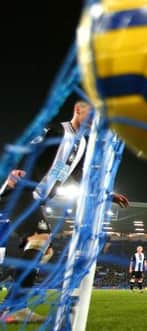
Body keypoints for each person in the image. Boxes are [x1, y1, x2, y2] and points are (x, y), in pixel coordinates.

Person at [0, 101, 129, 323]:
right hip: (17, 192)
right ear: (77, 110)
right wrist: (15, 170)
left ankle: (13, 304)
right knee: (41, 240)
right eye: (92, 112)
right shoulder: (57, 131)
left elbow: (78, 178)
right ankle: (13, 306)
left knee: (44, 250)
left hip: (32, 201)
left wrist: (108, 194)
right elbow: (30, 148)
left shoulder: (82, 145)